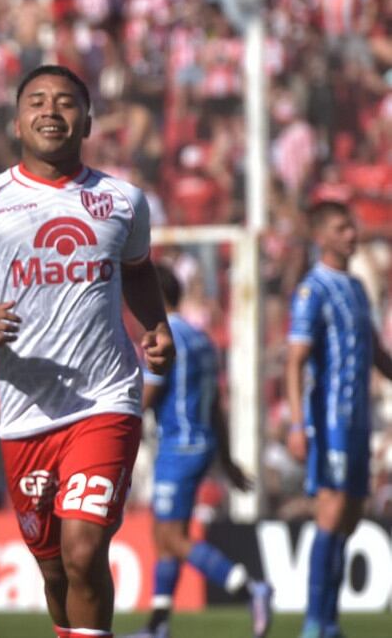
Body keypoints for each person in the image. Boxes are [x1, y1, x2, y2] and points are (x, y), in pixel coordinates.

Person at [0, 64, 175, 638]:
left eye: (66, 102)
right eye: (37, 101)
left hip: (104, 400)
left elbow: (138, 273)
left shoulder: (123, 202)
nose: (50, 111)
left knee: (85, 551)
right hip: (24, 417)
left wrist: (156, 328)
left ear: (87, 121)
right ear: (18, 122)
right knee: (55, 573)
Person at [124, 264, 272, 638]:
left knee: (171, 538)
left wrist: (114, 425)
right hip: (201, 443)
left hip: (180, 445)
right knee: (166, 536)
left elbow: (148, 396)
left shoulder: (164, 338)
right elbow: (216, 404)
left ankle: (250, 587)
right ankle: (158, 626)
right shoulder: (202, 338)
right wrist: (225, 457)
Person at [285, 201, 392, 638]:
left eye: (351, 226)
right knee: (330, 513)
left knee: (349, 515)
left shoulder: (355, 287)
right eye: (341, 227)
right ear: (321, 237)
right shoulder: (315, 288)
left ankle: (329, 620)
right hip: (328, 420)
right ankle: (315, 623)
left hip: (358, 423)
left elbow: (377, 354)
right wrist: (296, 423)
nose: (352, 233)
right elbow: (295, 360)